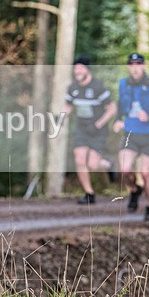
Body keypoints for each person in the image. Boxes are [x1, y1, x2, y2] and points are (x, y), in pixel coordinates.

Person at [112, 53, 149, 222]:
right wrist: (117, 120)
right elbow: (121, 105)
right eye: (131, 64)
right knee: (124, 169)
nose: (135, 67)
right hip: (130, 132)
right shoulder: (123, 84)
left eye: (138, 64)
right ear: (128, 67)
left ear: (143, 66)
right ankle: (135, 190)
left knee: (145, 172)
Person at [63, 56, 117, 205]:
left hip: (98, 130)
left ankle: (108, 164)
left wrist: (99, 124)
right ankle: (89, 193)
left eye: (80, 69)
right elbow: (68, 106)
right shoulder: (72, 88)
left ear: (87, 70)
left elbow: (112, 109)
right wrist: (59, 118)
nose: (77, 72)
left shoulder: (98, 87)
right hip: (81, 129)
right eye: (75, 70)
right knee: (79, 159)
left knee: (93, 164)